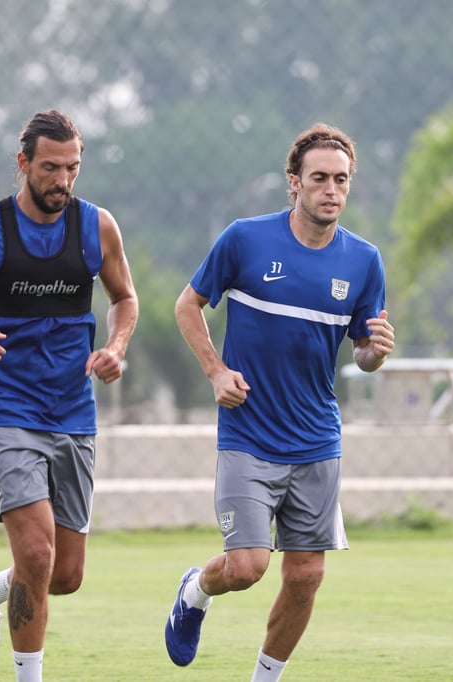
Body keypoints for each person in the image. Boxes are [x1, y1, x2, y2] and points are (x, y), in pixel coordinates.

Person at [164, 123, 396, 681]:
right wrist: (216, 371)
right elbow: (187, 306)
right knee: (247, 567)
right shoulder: (245, 239)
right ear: (294, 183)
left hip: (317, 439)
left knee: (306, 576)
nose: (331, 190)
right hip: (248, 433)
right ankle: (195, 591)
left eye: (341, 180)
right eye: (319, 178)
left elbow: (362, 354)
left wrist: (375, 355)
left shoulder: (364, 261)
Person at [0, 109, 139, 682]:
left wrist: (116, 346)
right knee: (37, 554)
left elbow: (125, 299)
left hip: (72, 410)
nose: (63, 180)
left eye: (73, 168)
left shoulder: (98, 228)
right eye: (51, 168)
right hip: (4, 410)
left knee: (64, 574)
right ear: (23, 164)